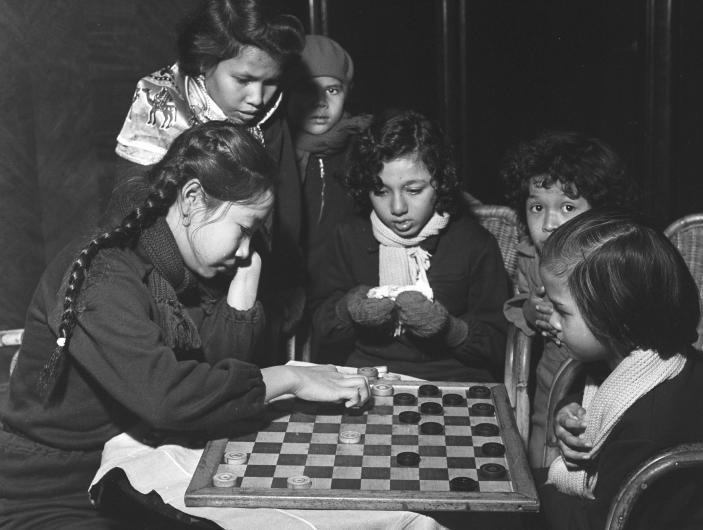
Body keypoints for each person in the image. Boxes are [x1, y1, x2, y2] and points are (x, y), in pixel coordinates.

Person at [0, 122, 370, 529]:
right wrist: (290, 378)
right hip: (49, 490)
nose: (246, 249)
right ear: (192, 198)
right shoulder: (103, 276)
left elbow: (213, 379)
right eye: (244, 230)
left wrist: (245, 282)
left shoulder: (183, 268)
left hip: (127, 469)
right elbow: (169, 397)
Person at [536, 210, 703, 530]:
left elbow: (603, 523)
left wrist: (538, 494)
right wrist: (570, 410)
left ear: (616, 318)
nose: (550, 320)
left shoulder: (648, 427)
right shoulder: (648, 362)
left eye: (562, 311)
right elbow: (598, 393)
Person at [115, 0, 306, 365]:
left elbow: (284, 217)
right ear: (205, 62)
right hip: (170, 289)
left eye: (270, 82)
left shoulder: (270, 116)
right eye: (243, 80)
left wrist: (276, 289)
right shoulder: (158, 101)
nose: (257, 99)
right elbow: (130, 209)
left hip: (245, 278)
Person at [311, 110, 509, 381]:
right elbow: (319, 331)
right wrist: (347, 310)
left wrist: (450, 329)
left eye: (414, 190)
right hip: (365, 373)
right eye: (380, 191)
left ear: (440, 181)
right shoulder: (348, 236)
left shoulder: (474, 243)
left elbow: (500, 346)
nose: (397, 208)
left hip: (451, 378)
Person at [500, 130, 640, 468]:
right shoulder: (531, 257)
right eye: (537, 207)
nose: (550, 223)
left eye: (567, 207)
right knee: (540, 455)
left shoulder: (614, 262)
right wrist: (531, 311)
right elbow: (521, 303)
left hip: (604, 384)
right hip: (548, 382)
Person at [286, 34, 372, 299]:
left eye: (333, 90)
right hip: (291, 294)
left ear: (347, 92)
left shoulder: (363, 146)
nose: (321, 102)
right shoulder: (277, 149)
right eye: (307, 89)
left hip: (349, 291)